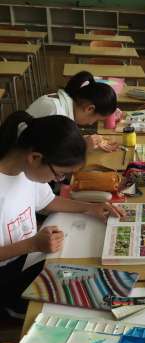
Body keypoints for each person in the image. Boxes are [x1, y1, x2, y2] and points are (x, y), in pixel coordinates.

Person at [0, 111, 124, 319]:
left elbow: (48, 201)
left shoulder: (26, 170)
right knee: (87, 294)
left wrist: (90, 208)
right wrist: (32, 244)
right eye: (59, 174)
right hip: (7, 277)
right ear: (35, 157)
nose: (58, 180)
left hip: (30, 257)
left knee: (93, 266)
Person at [27, 71, 120, 152]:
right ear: (89, 109)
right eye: (96, 119)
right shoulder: (56, 112)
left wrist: (80, 141)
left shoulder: (64, 104)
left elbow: (55, 140)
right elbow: (46, 156)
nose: (91, 123)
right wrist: (82, 146)